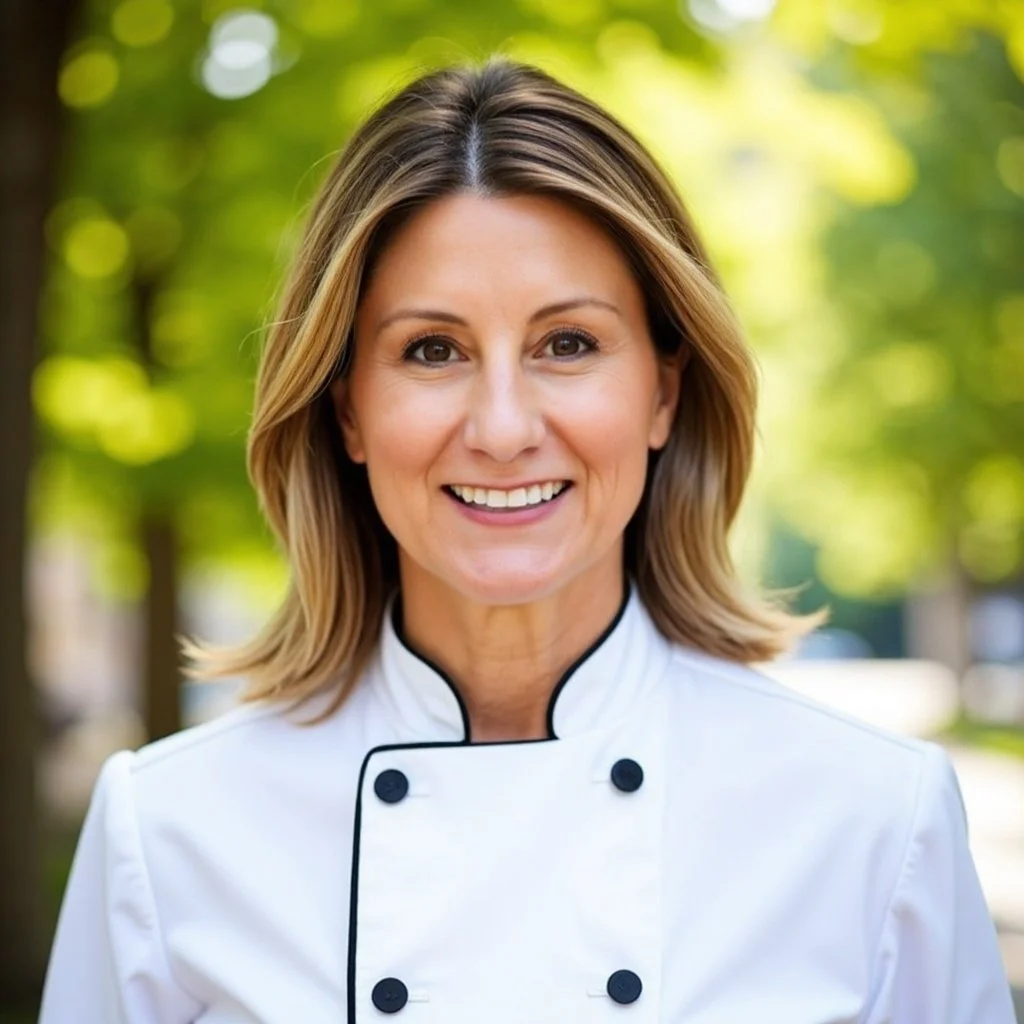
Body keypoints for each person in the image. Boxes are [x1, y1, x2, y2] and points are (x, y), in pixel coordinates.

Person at [40, 58, 1015, 1023]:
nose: (503, 428)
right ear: (348, 412)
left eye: (567, 344)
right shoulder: (166, 833)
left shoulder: (875, 822)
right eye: (432, 350)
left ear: (663, 394)